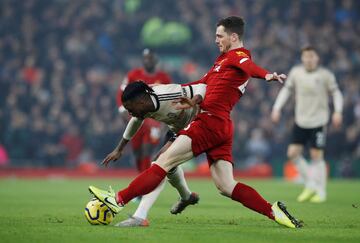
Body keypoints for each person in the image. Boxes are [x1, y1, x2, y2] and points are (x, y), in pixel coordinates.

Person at [90, 16, 303, 228]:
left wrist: (267, 75)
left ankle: (116, 200)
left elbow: (249, 67)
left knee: (163, 162)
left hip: (209, 121)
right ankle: (273, 211)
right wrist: (192, 98)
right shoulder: (222, 61)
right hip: (222, 125)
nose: (216, 40)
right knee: (226, 185)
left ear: (234, 36)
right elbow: (202, 83)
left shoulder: (238, 55)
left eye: (220, 36)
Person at [102, 81, 206, 227]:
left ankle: (140, 216)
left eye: (130, 108)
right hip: (178, 130)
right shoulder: (144, 106)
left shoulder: (168, 94)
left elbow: (202, 86)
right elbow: (136, 120)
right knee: (169, 166)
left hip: (199, 124)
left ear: (140, 101)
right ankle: (187, 197)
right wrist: (120, 148)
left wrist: (194, 101)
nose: (130, 113)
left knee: (159, 165)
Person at [271, 46, 343, 203]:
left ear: (317, 58)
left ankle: (321, 192)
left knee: (316, 155)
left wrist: (338, 111)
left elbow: (336, 93)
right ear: (302, 58)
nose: (309, 59)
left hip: (318, 121)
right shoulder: (296, 73)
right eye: (306, 56)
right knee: (292, 154)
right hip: (301, 121)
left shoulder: (325, 75)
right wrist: (277, 108)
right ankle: (310, 184)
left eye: (312, 56)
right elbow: (286, 91)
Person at [116, 48, 172, 172]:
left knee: (147, 149)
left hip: (154, 120)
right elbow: (121, 91)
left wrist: (165, 121)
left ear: (155, 60)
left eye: (150, 58)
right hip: (136, 118)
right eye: (146, 58)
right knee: (137, 153)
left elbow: (170, 98)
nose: (148, 61)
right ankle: (141, 177)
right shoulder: (133, 75)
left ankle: (146, 180)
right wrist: (122, 109)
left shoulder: (164, 78)